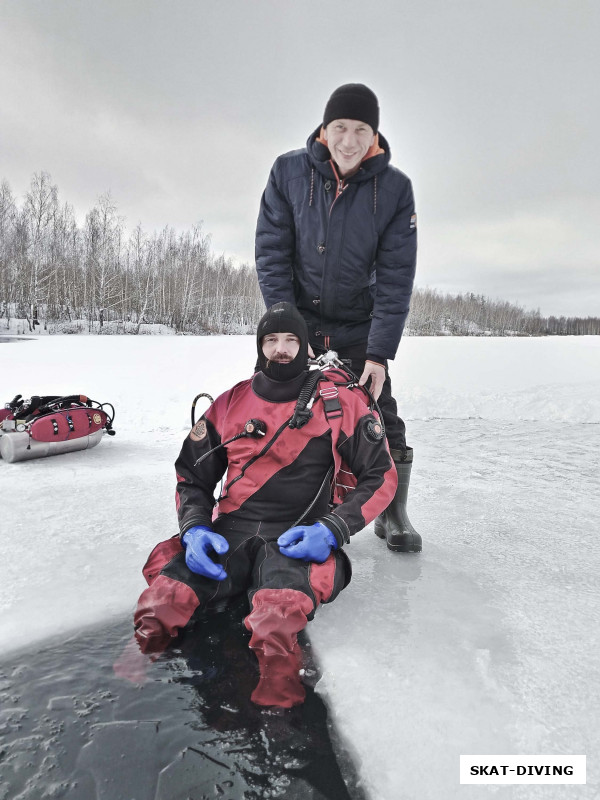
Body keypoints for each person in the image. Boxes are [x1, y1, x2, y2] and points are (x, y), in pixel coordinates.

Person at [129, 302, 397, 708]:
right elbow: (192, 474)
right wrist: (195, 529)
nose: (281, 349)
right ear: (259, 346)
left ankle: (281, 707)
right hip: (229, 533)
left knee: (276, 619)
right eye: (271, 340)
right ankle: (130, 674)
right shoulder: (231, 402)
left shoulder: (337, 402)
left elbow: (381, 475)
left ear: (306, 348)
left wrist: (332, 530)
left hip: (296, 537)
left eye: (291, 340)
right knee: (163, 601)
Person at [255, 83, 421, 553]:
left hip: (358, 323)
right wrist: (288, 328)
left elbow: (395, 278)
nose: (349, 140)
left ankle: (393, 511)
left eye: (361, 130)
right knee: (272, 405)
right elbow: (272, 253)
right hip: (299, 316)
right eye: (340, 127)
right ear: (325, 130)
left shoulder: (394, 190)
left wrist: (379, 354)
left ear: (374, 137)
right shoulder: (288, 172)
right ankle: (266, 500)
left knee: (378, 413)